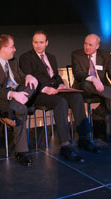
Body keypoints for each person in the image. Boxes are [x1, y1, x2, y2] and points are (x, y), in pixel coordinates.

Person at [19, 30, 98, 163]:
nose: (38, 45)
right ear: (32, 43)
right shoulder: (25, 57)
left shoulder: (52, 57)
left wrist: (61, 85)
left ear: (47, 43)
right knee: (60, 102)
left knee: (76, 97)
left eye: (41, 42)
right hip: (39, 94)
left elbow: (55, 77)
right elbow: (29, 79)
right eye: (35, 42)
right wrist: (45, 89)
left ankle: (84, 139)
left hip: (55, 90)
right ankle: (65, 145)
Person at [0, 34, 38, 167]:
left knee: (33, 83)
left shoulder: (13, 61)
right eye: (12, 46)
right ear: (3, 48)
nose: (14, 49)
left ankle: (13, 108)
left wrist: (29, 76)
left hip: (17, 97)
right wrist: (13, 94)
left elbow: (21, 77)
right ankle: (21, 152)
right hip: (2, 100)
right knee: (22, 109)